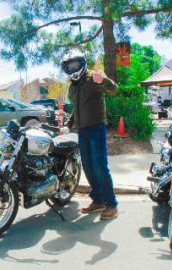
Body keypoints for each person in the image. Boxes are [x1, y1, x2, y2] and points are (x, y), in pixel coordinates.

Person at [61, 50, 119, 220]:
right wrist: (70, 121)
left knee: (100, 167)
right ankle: (98, 201)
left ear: (82, 63)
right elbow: (77, 108)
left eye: (75, 65)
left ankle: (112, 205)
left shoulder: (93, 78)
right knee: (87, 167)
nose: (73, 69)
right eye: (69, 67)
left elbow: (114, 89)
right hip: (82, 131)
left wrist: (104, 80)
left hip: (96, 128)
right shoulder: (72, 86)